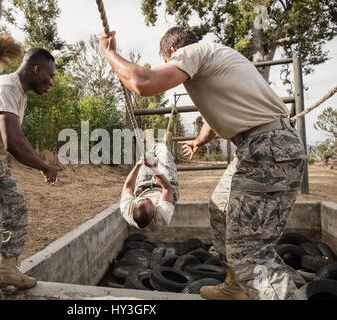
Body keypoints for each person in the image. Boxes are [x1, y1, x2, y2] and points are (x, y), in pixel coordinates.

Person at [100, 27, 306, 300]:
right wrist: (198, 142)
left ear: (172, 52)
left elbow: (143, 83)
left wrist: (109, 52)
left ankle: (261, 285)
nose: (171, 68)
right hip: (259, 146)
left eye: (168, 63)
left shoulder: (191, 53)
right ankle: (236, 286)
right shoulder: (219, 59)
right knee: (220, 206)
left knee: (251, 254)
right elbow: (213, 117)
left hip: (267, 147)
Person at [0, 47, 58, 300]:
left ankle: (7, 270)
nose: (51, 83)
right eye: (49, 76)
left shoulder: (18, 91)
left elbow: (16, 135)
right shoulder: (7, 86)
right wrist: (45, 166)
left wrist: (42, 161)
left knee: (17, 207)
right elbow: (13, 143)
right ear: (36, 69)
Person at [120, 133, 180, 231]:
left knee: (147, 156)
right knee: (163, 151)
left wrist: (139, 164)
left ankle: (153, 146)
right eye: (150, 202)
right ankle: (162, 145)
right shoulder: (162, 217)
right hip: (167, 189)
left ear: (134, 206)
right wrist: (151, 167)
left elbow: (128, 186)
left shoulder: (127, 209)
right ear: (154, 213)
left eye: (143, 199)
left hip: (144, 187)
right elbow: (167, 188)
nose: (149, 198)